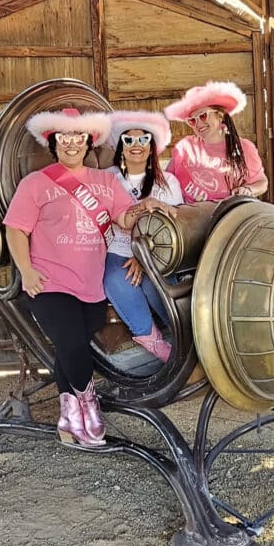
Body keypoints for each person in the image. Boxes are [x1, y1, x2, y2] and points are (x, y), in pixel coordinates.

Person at [4, 107, 146, 449]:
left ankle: (68, 417)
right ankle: (90, 407)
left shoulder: (106, 182)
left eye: (77, 137)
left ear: (88, 141)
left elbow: (125, 219)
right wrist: (26, 269)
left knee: (72, 350)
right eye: (64, 138)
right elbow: (15, 229)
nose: (71, 144)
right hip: (48, 283)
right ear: (54, 142)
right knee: (71, 344)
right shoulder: (36, 183)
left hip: (90, 287)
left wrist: (148, 207)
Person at [104, 111, 184, 363]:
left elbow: (173, 225)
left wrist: (144, 257)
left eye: (143, 140)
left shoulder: (168, 181)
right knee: (118, 278)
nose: (136, 146)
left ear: (152, 147)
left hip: (158, 253)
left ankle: (184, 337)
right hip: (119, 250)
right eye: (128, 140)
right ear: (121, 147)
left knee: (154, 284)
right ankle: (159, 348)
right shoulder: (108, 178)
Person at [164, 80, 268, 203]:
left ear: (219, 115)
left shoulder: (244, 147)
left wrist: (247, 190)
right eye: (192, 120)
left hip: (230, 212)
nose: (198, 124)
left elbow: (262, 183)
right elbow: (166, 181)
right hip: (191, 216)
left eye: (203, 116)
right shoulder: (185, 148)